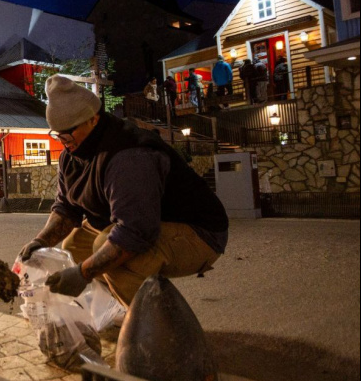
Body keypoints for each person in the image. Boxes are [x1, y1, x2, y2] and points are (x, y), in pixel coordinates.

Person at [18, 75, 228, 309]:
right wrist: (40, 241)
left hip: (199, 233)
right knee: (74, 247)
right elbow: (67, 208)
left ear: (92, 119)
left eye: (68, 132)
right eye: (57, 134)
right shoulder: (72, 155)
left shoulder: (128, 154)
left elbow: (134, 233)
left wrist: (83, 274)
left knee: (107, 248)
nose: (63, 140)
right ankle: (114, 311)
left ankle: (160, 329)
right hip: (143, 224)